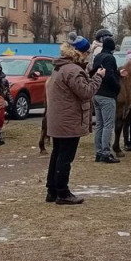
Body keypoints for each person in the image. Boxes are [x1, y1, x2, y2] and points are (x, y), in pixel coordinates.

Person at [46, 35, 105, 205]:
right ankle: (63, 193)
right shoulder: (72, 70)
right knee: (65, 157)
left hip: (59, 119)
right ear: (80, 52)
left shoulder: (61, 67)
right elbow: (86, 92)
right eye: (87, 52)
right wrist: (98, 77)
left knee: (57, 154)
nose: (88, 55)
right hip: (69, 120)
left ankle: (52, 191)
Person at [90, 37, 122, 163]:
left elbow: (98, 72)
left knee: (99, 125)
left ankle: (98, 153)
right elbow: (109, 75)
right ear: (112, 47)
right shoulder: (110, 58)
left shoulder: (98, 57)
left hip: (97, 93)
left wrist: (119, 73)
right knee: (108, 125)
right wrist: (117, 88)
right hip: (107, 95)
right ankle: (106, 153)